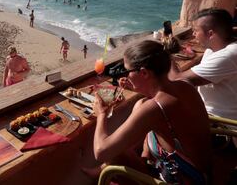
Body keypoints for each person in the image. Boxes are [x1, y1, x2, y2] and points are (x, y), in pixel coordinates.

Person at [90, 40, 211, 184]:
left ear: (144, 73)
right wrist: (138, 86)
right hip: (204, 170)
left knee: (114, 156)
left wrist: (101, 114)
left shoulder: (155, 108)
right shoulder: (184, 85)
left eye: (127, 71)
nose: (126, 76)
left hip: (185, 179)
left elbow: (100, 152)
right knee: (140, 105)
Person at [170, 8, 237, 120]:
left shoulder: (228, 55)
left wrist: (167, 55)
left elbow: (177, 81)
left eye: (196, 30)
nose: (193, 34)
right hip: (208, 112)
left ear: (210, 34)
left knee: (153, 113)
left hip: (222, 123)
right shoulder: (213, 48)